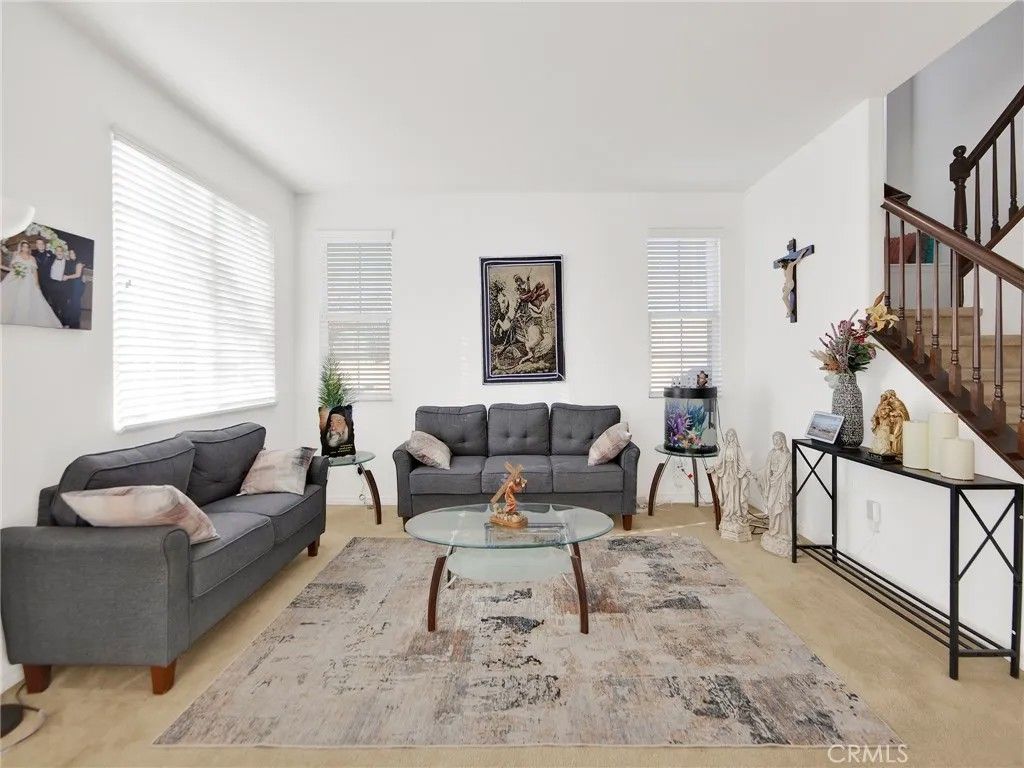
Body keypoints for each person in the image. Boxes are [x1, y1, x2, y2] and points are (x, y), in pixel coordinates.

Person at [1, 240, 62, 328]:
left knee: (27, 298)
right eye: (23, 246)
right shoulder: (16, 255)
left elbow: (34, 271)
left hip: (28, 280)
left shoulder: (32, 258)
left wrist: (37, 283)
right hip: (16, 278)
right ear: (21, 247)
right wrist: (17, 271)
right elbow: (12, 267)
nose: (25, 248)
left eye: (27, 247)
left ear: (29, 248)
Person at [710, 428, 753, 542]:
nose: (730, 437)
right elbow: (719, 461)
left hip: (734, 474)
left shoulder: (737, 449)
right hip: (725, 473)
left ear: (735, 437)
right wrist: (714, 467)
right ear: (726, 437)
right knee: (726, 493)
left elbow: (741, 462)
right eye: (728, 436)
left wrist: (745, 471)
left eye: (732, 435)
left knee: (735, 493)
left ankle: (736, 514)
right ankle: (728, 514)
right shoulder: (724, 449)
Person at [61, 248, 86, 329]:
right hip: (73, 284)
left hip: (78, 284)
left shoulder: (79, 262)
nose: (71, 254)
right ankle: (69, 322)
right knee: (71, 303)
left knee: (75, 303)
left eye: (72, 253)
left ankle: (74, 322)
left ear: (76, 254)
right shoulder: (71, 261)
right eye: (70, 253)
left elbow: (78, 275)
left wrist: (67, 277)